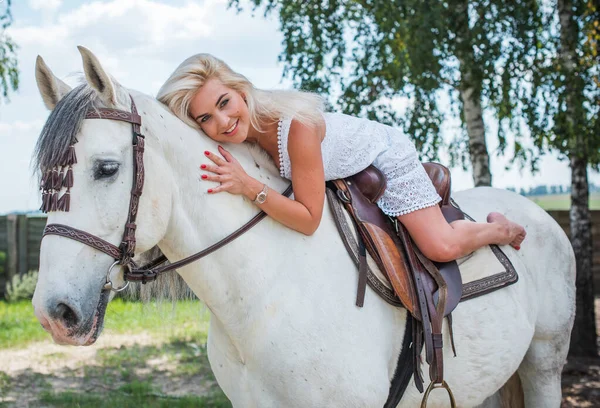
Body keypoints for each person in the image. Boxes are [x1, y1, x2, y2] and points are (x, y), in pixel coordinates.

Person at [157, 54, 526, 263]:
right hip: (341, 168)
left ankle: (499, 228)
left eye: (224, 103)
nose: (222, 121)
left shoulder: (296, 127)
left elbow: (308, 220)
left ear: (241, 91)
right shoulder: (241, 139)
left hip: (383, 157)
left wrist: (248, 185)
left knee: (439, 246)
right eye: (205, 118)